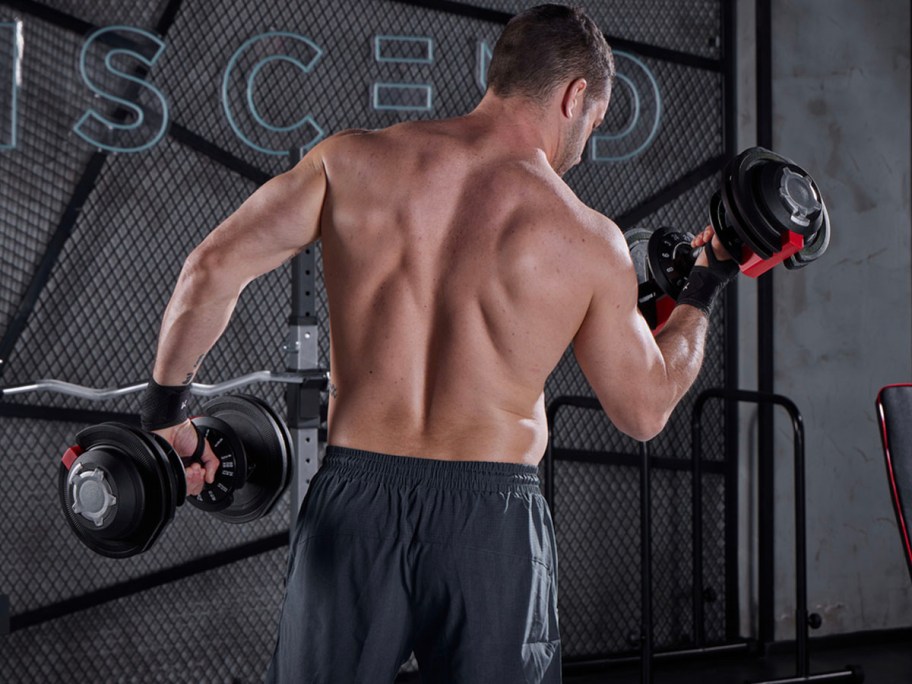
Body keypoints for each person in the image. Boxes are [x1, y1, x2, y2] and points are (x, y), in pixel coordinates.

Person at [139, 4, 738, 682]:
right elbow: (644, 408)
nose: (587, 145)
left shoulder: (349, 162)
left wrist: (165, 416)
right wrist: (703, 289)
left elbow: (210, 268)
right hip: (492, 518)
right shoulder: (585, 237)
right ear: (576, 96)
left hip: (355, 501)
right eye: (593, 124)